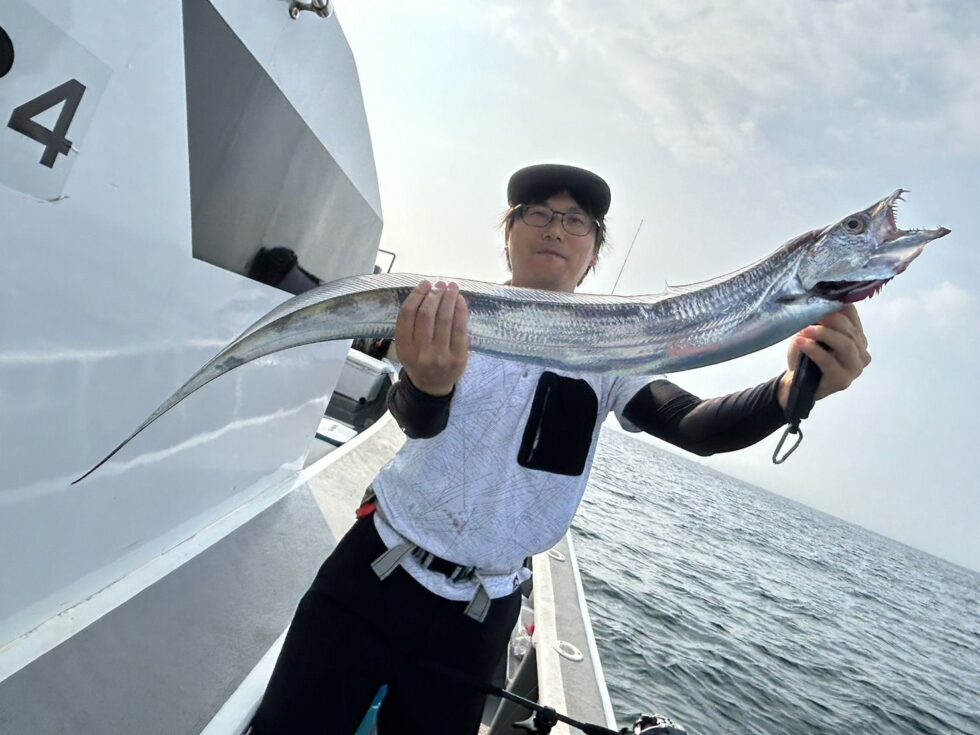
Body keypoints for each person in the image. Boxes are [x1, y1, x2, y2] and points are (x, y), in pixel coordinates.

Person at [249, 164, 871, 734]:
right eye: (538, 213)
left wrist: (792, 391)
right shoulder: (450, 313)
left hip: (477, 617)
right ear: (510, 233)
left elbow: (692, 425)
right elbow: (413, 419)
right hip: (371, 574)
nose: (557, 228)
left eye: (577, 220)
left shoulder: (617, 352)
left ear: (594, 251)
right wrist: (427, 387)